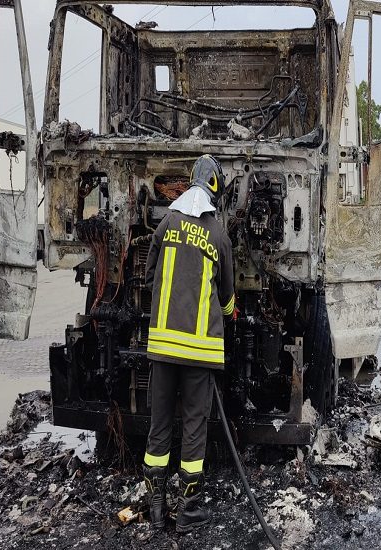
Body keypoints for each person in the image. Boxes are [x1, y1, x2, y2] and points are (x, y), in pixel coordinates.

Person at [142, 154, 235, 533]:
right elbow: (228, 299)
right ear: (215, 189)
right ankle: (188, 512)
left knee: (159, 425)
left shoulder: (166, 223)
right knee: (194, 426)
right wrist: (228, 312)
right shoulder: (218, 234)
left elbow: (148, 276)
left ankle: (157, 509)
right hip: (200, 353)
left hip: (163, 347)